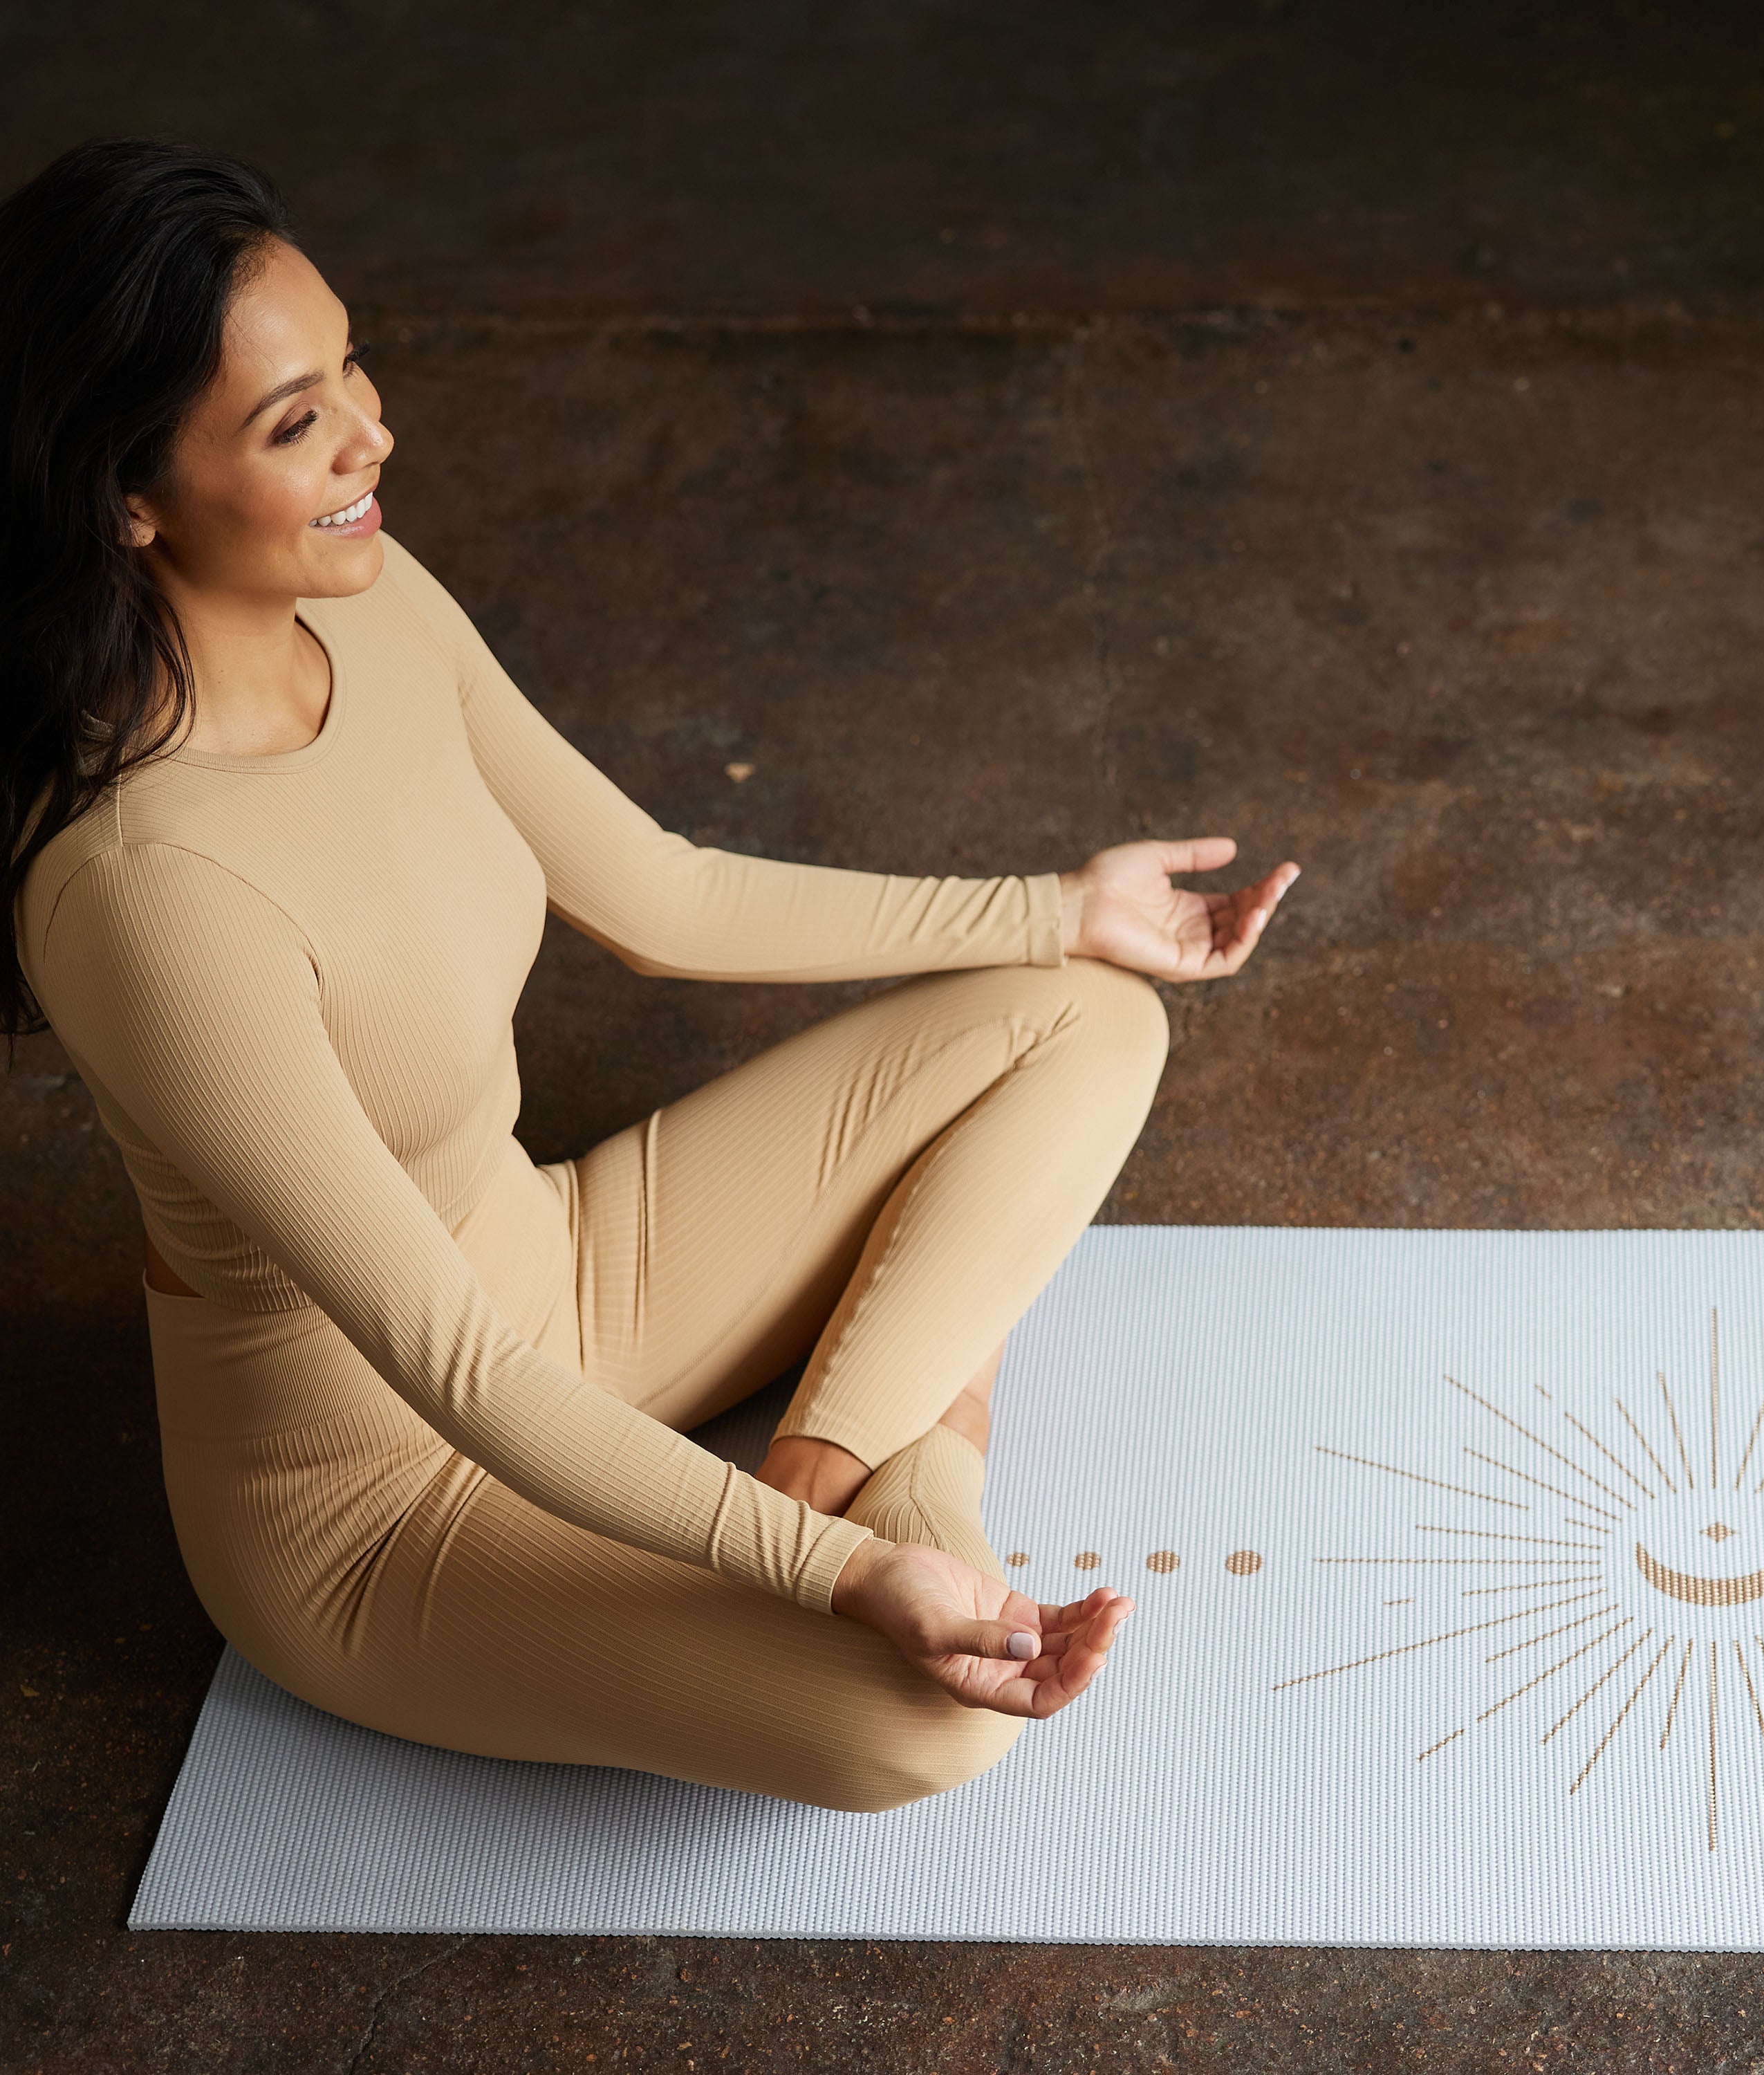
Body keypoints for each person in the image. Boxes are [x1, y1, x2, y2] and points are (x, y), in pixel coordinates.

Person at [0, 139, 1299, 1814]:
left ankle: (828, 1457)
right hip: (390, 1500)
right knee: (928, 1728)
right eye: (293, 420)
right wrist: (844, 1581)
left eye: (352, 364)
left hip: (565, 1269)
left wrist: (1055, 906)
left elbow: (665, 896)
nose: (374, 433)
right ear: (126, 494)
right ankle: (914, 1474)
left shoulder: (367, 604)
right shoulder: (142, 893)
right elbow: (446, 1363)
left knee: (1086, 1017)